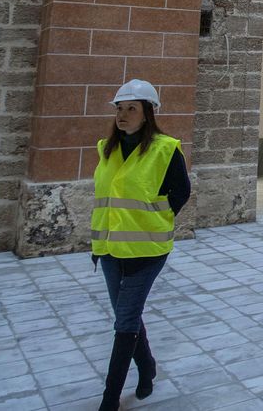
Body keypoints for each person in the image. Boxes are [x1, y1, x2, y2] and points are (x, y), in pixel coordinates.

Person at [92, 78, 190, 411]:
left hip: (146, 250)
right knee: (127, 316)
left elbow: (181, 191)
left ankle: (110, 399)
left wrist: (157, 218)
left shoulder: (165, 148)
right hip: (108, 249)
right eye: (120, 109)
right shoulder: (107, 149)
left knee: (124, 322)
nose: (123, 115)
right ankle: (147, 367)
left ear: (148, 112)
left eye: (131, 108)